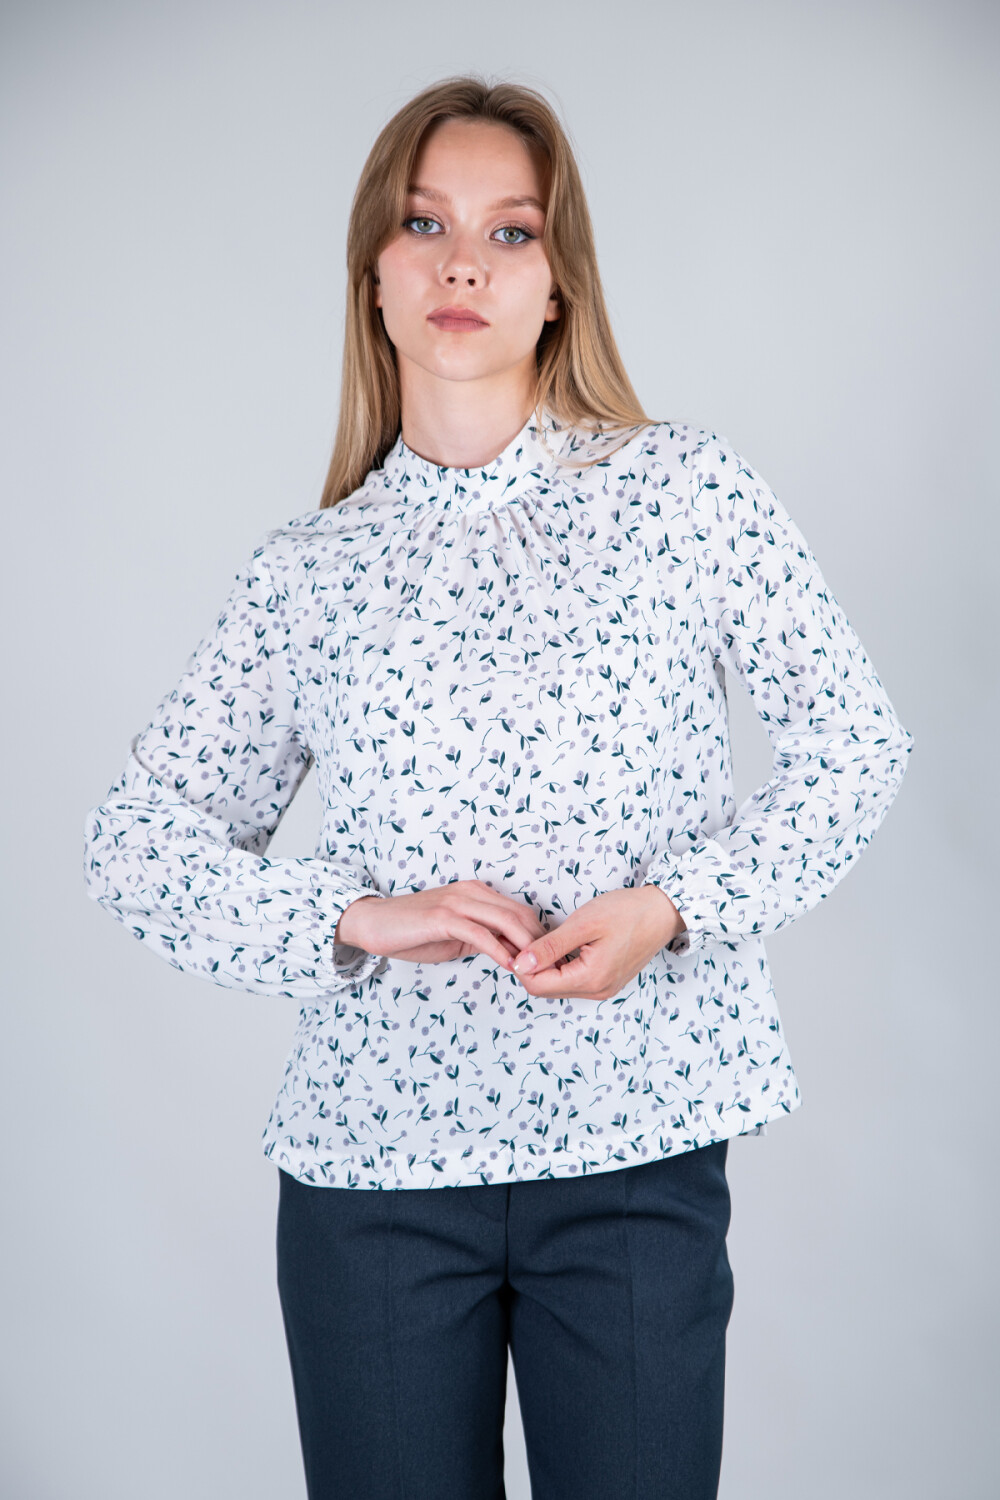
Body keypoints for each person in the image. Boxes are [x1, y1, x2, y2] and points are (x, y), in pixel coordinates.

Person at [82, 73, 913, 1500]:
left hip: (637, 1150)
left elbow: (856, 747)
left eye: (510, 232)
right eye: (425, 225)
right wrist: (350, 918)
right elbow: (135, 843)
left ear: (556, 285)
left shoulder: (683, 494)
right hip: (373, 1186)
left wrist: (674, 908)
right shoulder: (308, 573)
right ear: (375, 275)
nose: (463, 263)